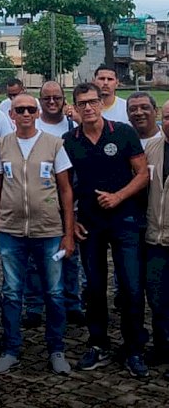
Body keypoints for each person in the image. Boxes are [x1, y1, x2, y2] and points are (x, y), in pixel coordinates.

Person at [63, 82, 150, 378]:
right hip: (90, 225)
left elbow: (142, 174)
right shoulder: (69, 140)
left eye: (92, 102)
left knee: (131, 287)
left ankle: (134, 348)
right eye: (81, 103)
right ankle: (98, 344)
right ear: (74, 107)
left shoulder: (123, 133)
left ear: (101, 102)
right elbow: (65, 188)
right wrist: (72, 221)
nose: (88, 107)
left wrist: (119, 197)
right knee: (95, 288)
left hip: (124, 220)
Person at [0, 93, 76, 375]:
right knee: (12, 292)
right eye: (19, 110)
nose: (25, 114)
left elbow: (65, 190)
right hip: (11, 231)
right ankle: (11, 349)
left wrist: (68, 233)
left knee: (54, 292)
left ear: (37, 114)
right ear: (11, 115)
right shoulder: (1, 146)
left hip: (49, 230)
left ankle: (57, 348)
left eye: (30, 109)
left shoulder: (54, 144)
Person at [25, 81, 85, 328]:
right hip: (38, 201)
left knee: (70, 255)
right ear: (40, 100)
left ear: (64, 99)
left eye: (57, 98)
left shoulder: (72, 126)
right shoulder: (32, 124)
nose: (52, 102)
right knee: (33, 258)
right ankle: (34, 306)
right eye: (46, 98)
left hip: (69, 199)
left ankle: (72, 303)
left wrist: (79, 118)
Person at [144, 101, 169, 376]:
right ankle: (162, 345)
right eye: (168, 116)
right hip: (155, 237)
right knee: (158, 298)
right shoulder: (152, 149)